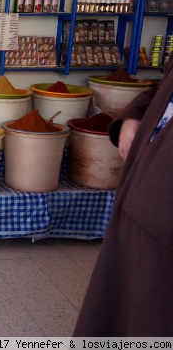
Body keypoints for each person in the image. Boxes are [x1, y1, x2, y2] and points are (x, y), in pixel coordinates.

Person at [74, 57, 173, 336]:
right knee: (126, 295)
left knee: (152, 308)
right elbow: (163, 87)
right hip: (145, 183)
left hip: (162, 203)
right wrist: (136, 113)